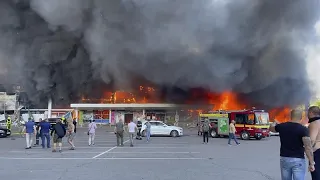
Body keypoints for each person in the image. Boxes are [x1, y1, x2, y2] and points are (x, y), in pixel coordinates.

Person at [269, 109, 314, 180]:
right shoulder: (303, 129)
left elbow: (271, 129)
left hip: (284, 158)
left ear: (290, 116)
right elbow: (308, 147)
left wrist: (274, 122)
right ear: (301, 117)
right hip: (298, 159)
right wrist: (311, 163)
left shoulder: (282, 126)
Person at [308, 106, 320, 179]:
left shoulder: (314, 123)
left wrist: (309, 152)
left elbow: (311, 140)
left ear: (311, 113)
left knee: (316, 174)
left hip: (317, 151)